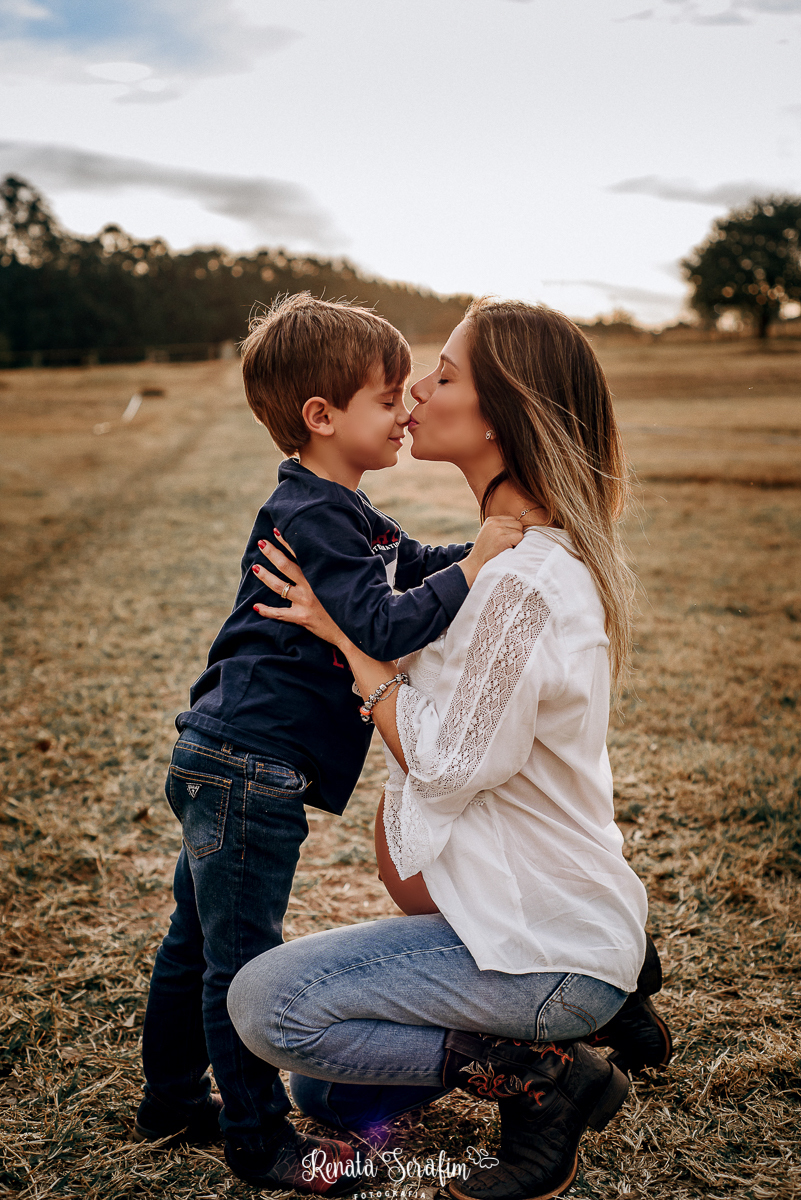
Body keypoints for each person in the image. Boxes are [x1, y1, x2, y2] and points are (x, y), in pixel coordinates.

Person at [228, 298, 673, 1200]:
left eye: (443, 374)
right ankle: (586, 1013)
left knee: (264, 1005)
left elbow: (447, 761)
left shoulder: (519, 586)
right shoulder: (493, 563)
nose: (414, 392)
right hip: (497, 926)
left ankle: (553, 1079)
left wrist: (349, 650)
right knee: (328, 1088)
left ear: (503, 413)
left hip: (538, 948)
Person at [135, 294, 522, 1193]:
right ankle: (258, 1137)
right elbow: (381, 623)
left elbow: (409, 560)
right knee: (237, 959)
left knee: (191, 942)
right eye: (389, 399)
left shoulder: (342, 510)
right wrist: (477, 567)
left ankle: (168, 1103)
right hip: (246, 767)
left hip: (224, 756)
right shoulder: (311, 513)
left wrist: (485, 546)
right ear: (322, 417)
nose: (406, 412)